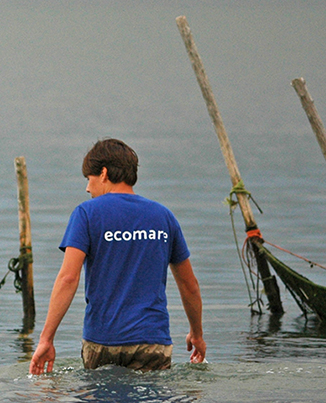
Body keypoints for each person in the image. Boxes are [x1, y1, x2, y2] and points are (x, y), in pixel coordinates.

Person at [29, 138, 205, 375]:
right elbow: (189, 284)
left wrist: (46, 339)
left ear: (103, 173)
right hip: (152, 341)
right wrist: (197, 334)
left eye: (89, 180)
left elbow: (68, 278)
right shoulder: (163, 217)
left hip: (102, 341)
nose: (87, 189)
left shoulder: (86, 214)